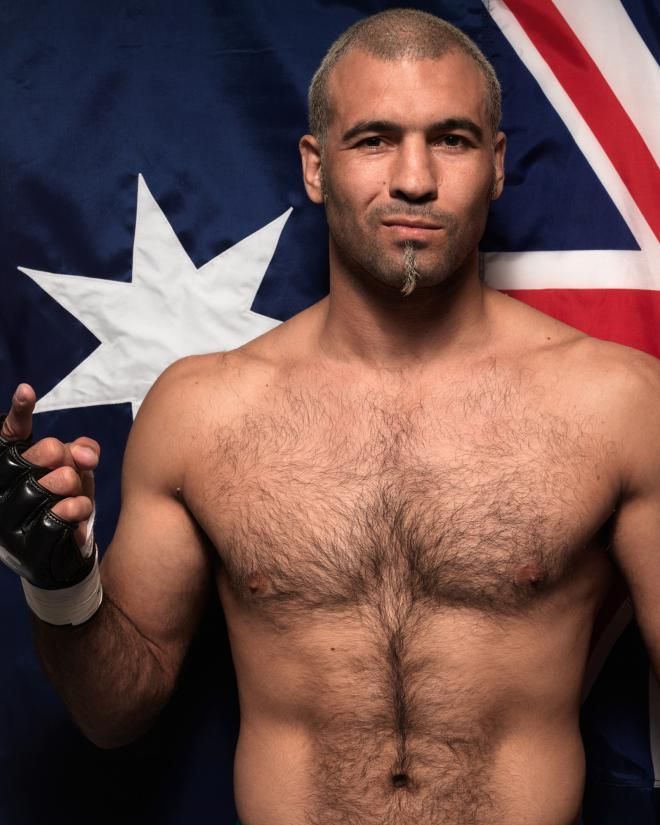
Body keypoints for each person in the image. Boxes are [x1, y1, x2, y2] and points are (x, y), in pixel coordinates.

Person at [0, 9, 658, 825]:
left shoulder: (619, 405)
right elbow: (115, 713)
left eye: (451, 139)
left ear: (494, 165)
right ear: (315, 166)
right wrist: (62, 582)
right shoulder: (206, 413)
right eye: (374, 139)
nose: (414, 178)